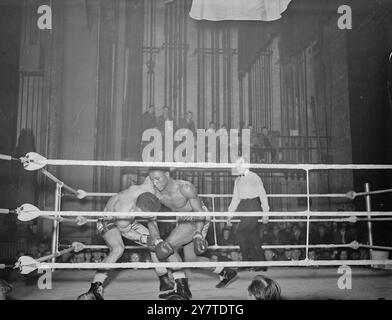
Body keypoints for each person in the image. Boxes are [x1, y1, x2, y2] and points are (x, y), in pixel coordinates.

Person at [147, 168, 238, 300]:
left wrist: (197, 234)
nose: (154, 183)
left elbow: (199, 213)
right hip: (182, 220)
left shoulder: (185, 188)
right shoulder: (154, 192)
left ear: (167, 175)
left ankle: (182, 290)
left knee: (168, 246)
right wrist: (156, 239)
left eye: (157, 178)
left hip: (197, 218)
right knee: (191, 260)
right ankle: (225, 272)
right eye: (152, 179)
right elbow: (151, 219)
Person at [77, 183, 174, 300]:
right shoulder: (124, 212)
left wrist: (155, 239)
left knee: (154, 243)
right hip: (107, 221)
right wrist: (144, 238)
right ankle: (94, 290)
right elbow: (126, 232)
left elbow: (151, 220)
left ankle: (164, 280)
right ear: (138, 209)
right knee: (117, 249)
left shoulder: (144, 192)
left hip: (128, 222)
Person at [227, 158, 269, 271]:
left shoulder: (254, 177)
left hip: (253, 206)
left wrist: (266, 214)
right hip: (243, 207)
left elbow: (263, 195)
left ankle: (246, 262)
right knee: (252, 237)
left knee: (240, 234)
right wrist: (229, 215)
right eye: (236, 166)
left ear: (245, 166)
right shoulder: (237, 181)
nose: (237, 168)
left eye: (239, 165)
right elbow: (235, 199)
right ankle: (261, 265)